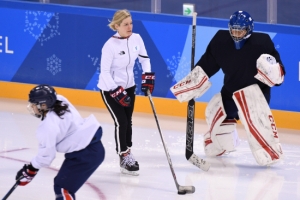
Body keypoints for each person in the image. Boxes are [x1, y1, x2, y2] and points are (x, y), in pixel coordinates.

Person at [171, 11, 285, 166]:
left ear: (249, 30)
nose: (236, 34)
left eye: (241, 30)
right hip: (230, 93)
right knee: (213, 115)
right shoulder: (220, 41)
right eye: (234, 30)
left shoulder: (262, 43)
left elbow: (278, 77)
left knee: (265, 149)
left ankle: (270, 150)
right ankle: (223, 145)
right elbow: (206, 66)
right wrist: (191, 86)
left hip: (254, 95)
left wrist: (272, 71)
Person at [15, 84, 105, 200]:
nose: (32, 107)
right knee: (61, 184)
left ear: (43, 105)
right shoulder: (61, 101)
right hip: (94, 148)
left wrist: (31, 169)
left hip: (85, 155)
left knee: (63, 188)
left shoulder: (48, 127)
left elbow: (46, 157)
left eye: (34, 104)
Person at [97, 9, 155, 176]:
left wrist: (147, 77)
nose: (129, 27)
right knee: (121, 121)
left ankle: (128, 151)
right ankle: (123, 156)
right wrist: (115, 90)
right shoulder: (109, 46)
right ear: (116, 26)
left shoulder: (137, 38)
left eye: (131, 23)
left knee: (128, 121)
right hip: (110, 89)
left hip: (129, 87)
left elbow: (145, 59)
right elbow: (105, 73)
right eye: (125, 24)